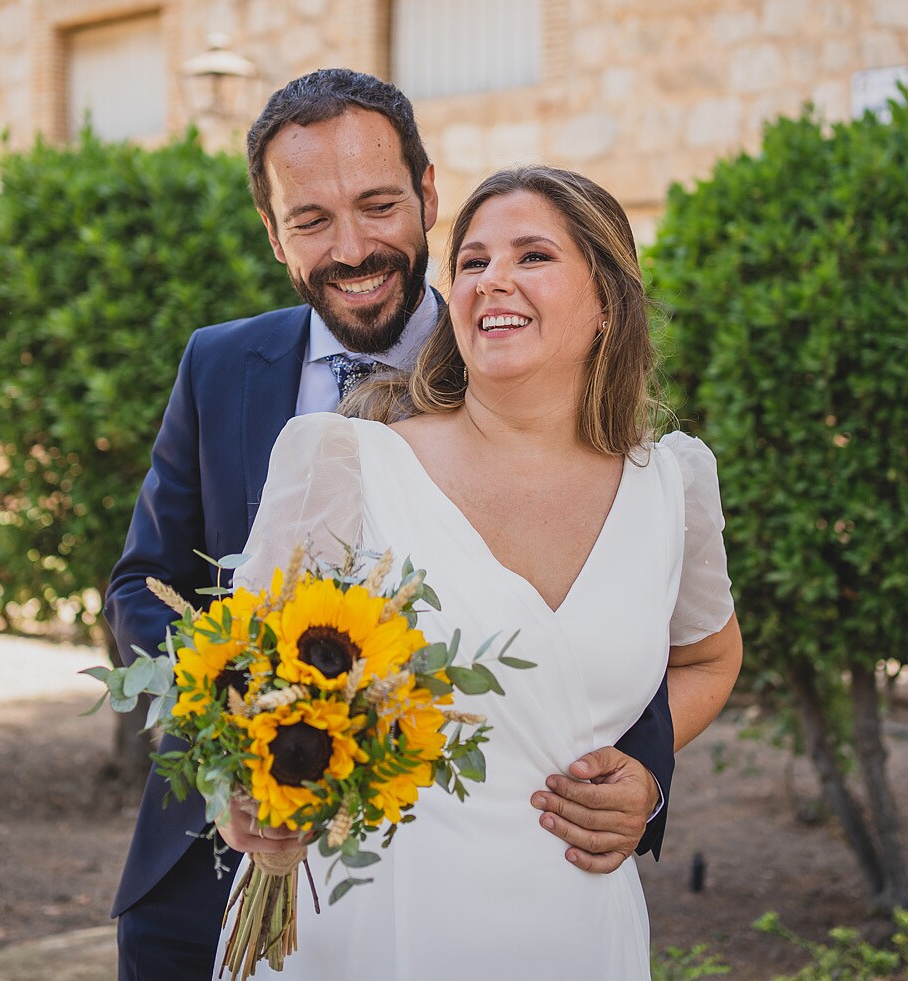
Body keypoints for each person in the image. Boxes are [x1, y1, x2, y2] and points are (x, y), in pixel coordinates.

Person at [103, 73, 681, 980]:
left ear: (428, 196)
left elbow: (599, 596)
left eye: (378, 205)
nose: (353, 247)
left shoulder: (523, 355)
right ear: (273, 231)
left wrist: (643, 769)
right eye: (311, 219)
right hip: (200, 879)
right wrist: (246, 730)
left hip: (463, 897)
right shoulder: (217, 364)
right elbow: (143, 582)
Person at [215, 164, 742, 977]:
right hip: (366, 921)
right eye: (472, 261)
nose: (493, 278)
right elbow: (243, 683)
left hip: (574, 926)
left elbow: (709, 655)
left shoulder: (673, 485)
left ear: (607, 302)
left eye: (533, 255)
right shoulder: (344, 461)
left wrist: (646, 768)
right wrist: (249, 800)